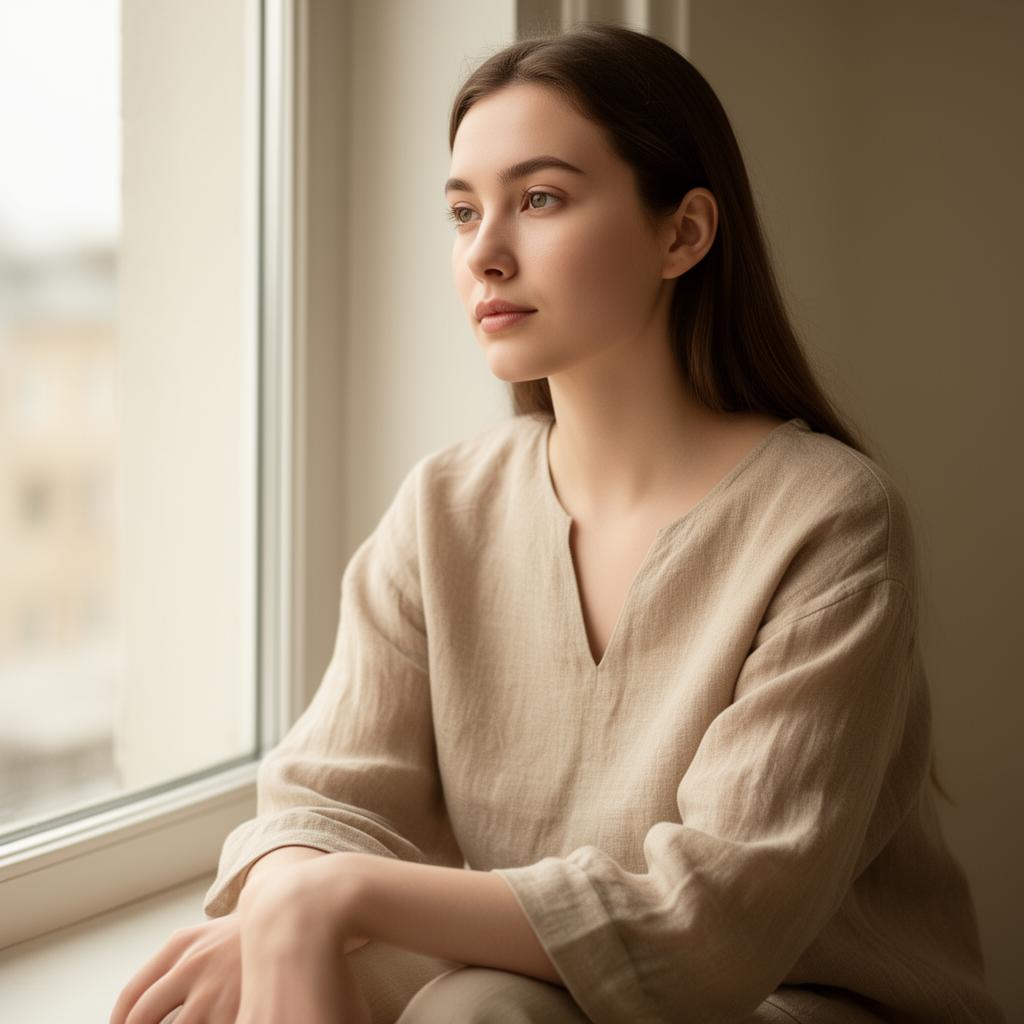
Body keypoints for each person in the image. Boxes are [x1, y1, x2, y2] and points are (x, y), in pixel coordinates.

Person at [109, 21, 1006, 1024]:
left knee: (470, 1006)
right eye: (461, 211)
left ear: (684, 233)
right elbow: (329, 795)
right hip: (551, 981)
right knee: (223, 984)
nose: (484, 253)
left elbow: (711, 916)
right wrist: (289, 896)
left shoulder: (826, 520)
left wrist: (341, 891)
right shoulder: (445, 508)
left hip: (804, 997)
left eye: (539, 199)